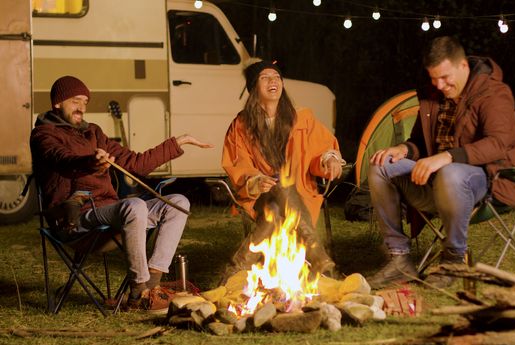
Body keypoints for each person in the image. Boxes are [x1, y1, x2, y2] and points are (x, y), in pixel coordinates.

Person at [30, 75, 212, 313]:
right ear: (58, 102)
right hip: (74, 218)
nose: (82, 108)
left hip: (110, 214)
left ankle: (152, 286)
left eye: (85, 102)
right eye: (76, 101)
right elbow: (63, 160)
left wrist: (178, 142)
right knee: (134, 205)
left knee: (178, 202)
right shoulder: (43, 135)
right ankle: (138, 292)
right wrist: (92, 162)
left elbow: (136, 164)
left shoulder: (93, 132)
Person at [366, 36, 515, 289]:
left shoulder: (493, 92)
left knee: (451, 173)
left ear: (463, 66)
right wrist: (402, 149)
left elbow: (499, 143)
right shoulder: (432, 96)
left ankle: (453, 261)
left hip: (487, 183)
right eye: (433, 78)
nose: (439, 85)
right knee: (381, 165)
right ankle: (399, 259)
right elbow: (419, 141)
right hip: (435, 183)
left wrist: (447, 157)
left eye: (445, 77)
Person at [221, 60, 345, 278]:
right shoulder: (241, 126)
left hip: (300, 192)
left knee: (279, 206)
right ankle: (317, 256)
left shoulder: (302, 118)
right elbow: (239, 163)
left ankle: (236, 269)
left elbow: (321, 148)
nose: (273, 81)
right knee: (279, 194)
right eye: (265, 77)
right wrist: (256, 180)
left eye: (277, 77)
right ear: (253, 88)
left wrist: (330, 159)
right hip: (261, 195)